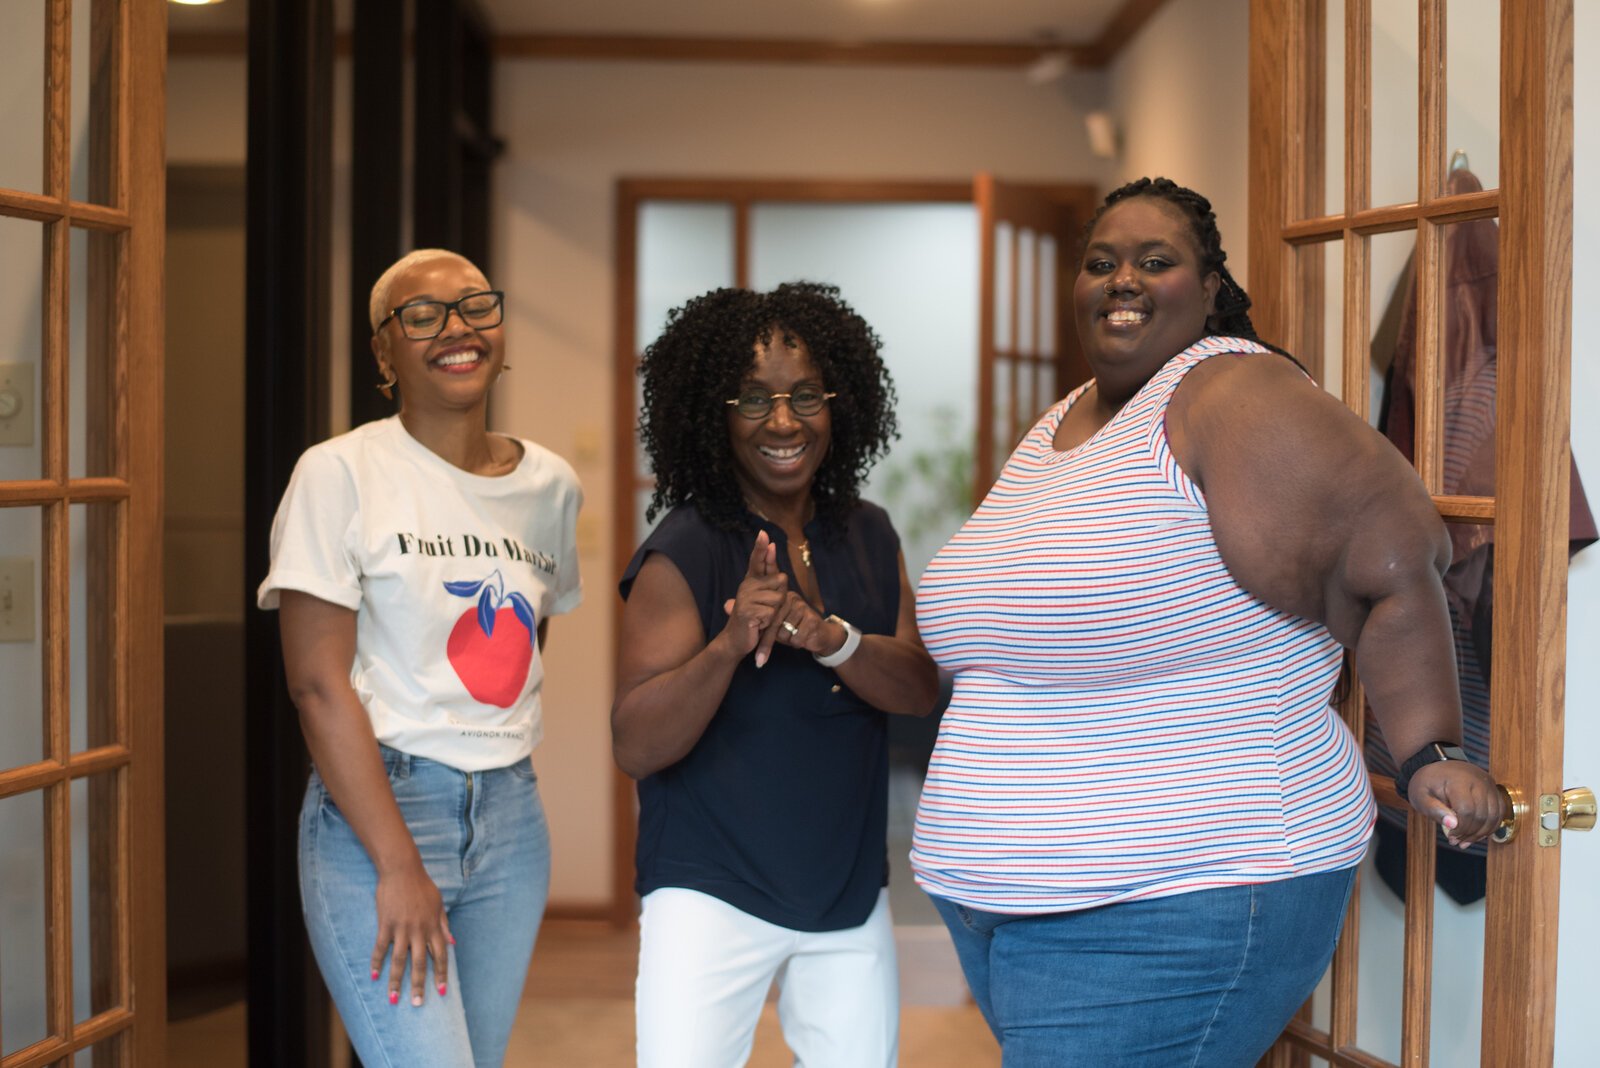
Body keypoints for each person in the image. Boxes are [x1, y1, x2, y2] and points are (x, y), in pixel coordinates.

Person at [911, 177, 1504, 1066]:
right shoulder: (1067, 420)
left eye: (1156, 261)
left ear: (1213, 290)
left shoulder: (1227, 394)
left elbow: (1389, 554)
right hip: (1016, 900)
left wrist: (1430, 751)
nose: (1121, 280)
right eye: (1101, 262)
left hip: (1179, 893)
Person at [257, 249, 582, 1067]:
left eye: (476, 306)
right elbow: (317, 684)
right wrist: (398, 865)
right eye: (423, 315)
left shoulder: (551, 486)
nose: (456, 330)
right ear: (384, 352)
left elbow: (525, 640)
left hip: (511, 820)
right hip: (383, 815)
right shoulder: (340, 473)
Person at [612, 281, 940, 1067]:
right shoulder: (685, 548)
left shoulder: (868, 533)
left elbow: (919, 686)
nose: (784, 422)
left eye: (804, 396)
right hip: (708, 889)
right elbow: (636, 742)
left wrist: (830, 638)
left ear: (841, 403)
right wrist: (730, 643)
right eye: (754, 400)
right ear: (714, 413)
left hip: (845, 888)